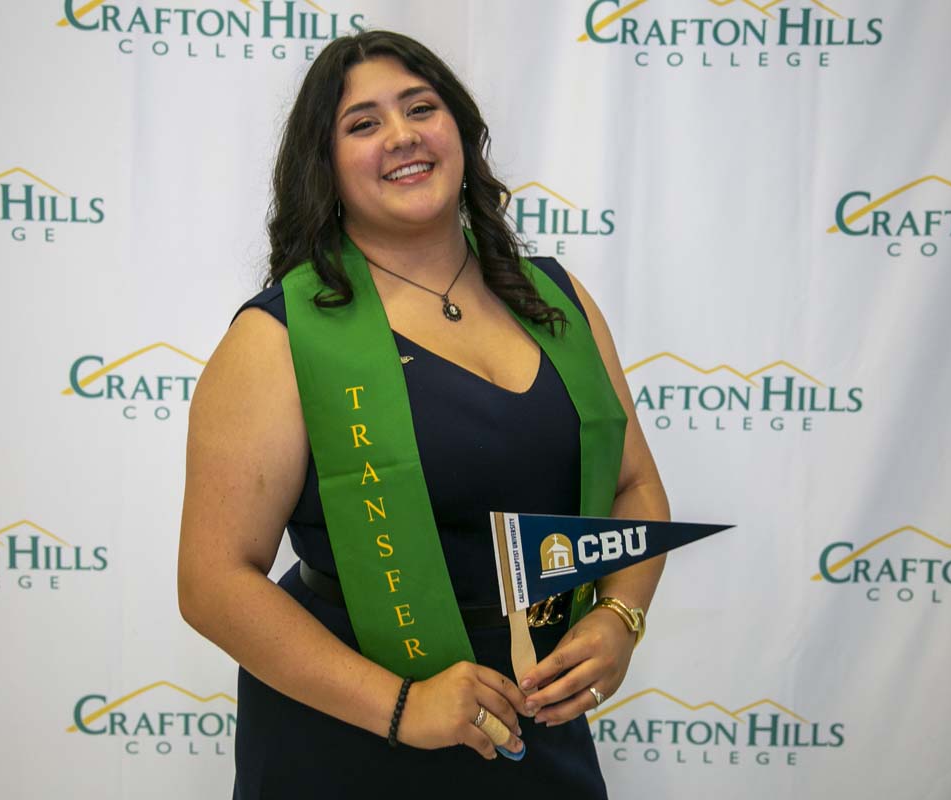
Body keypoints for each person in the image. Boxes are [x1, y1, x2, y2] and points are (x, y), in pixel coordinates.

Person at [178, 30, 670, 799]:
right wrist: (404, 706)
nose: (402, 136)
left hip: (533, 714)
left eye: (421, 108)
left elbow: (635, 488)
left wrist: (619, 620)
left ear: (461, 134)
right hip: (349, 733)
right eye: (363, 123)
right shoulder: (277, 336)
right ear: (326, 165)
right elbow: (213, 582)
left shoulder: (556, 300)